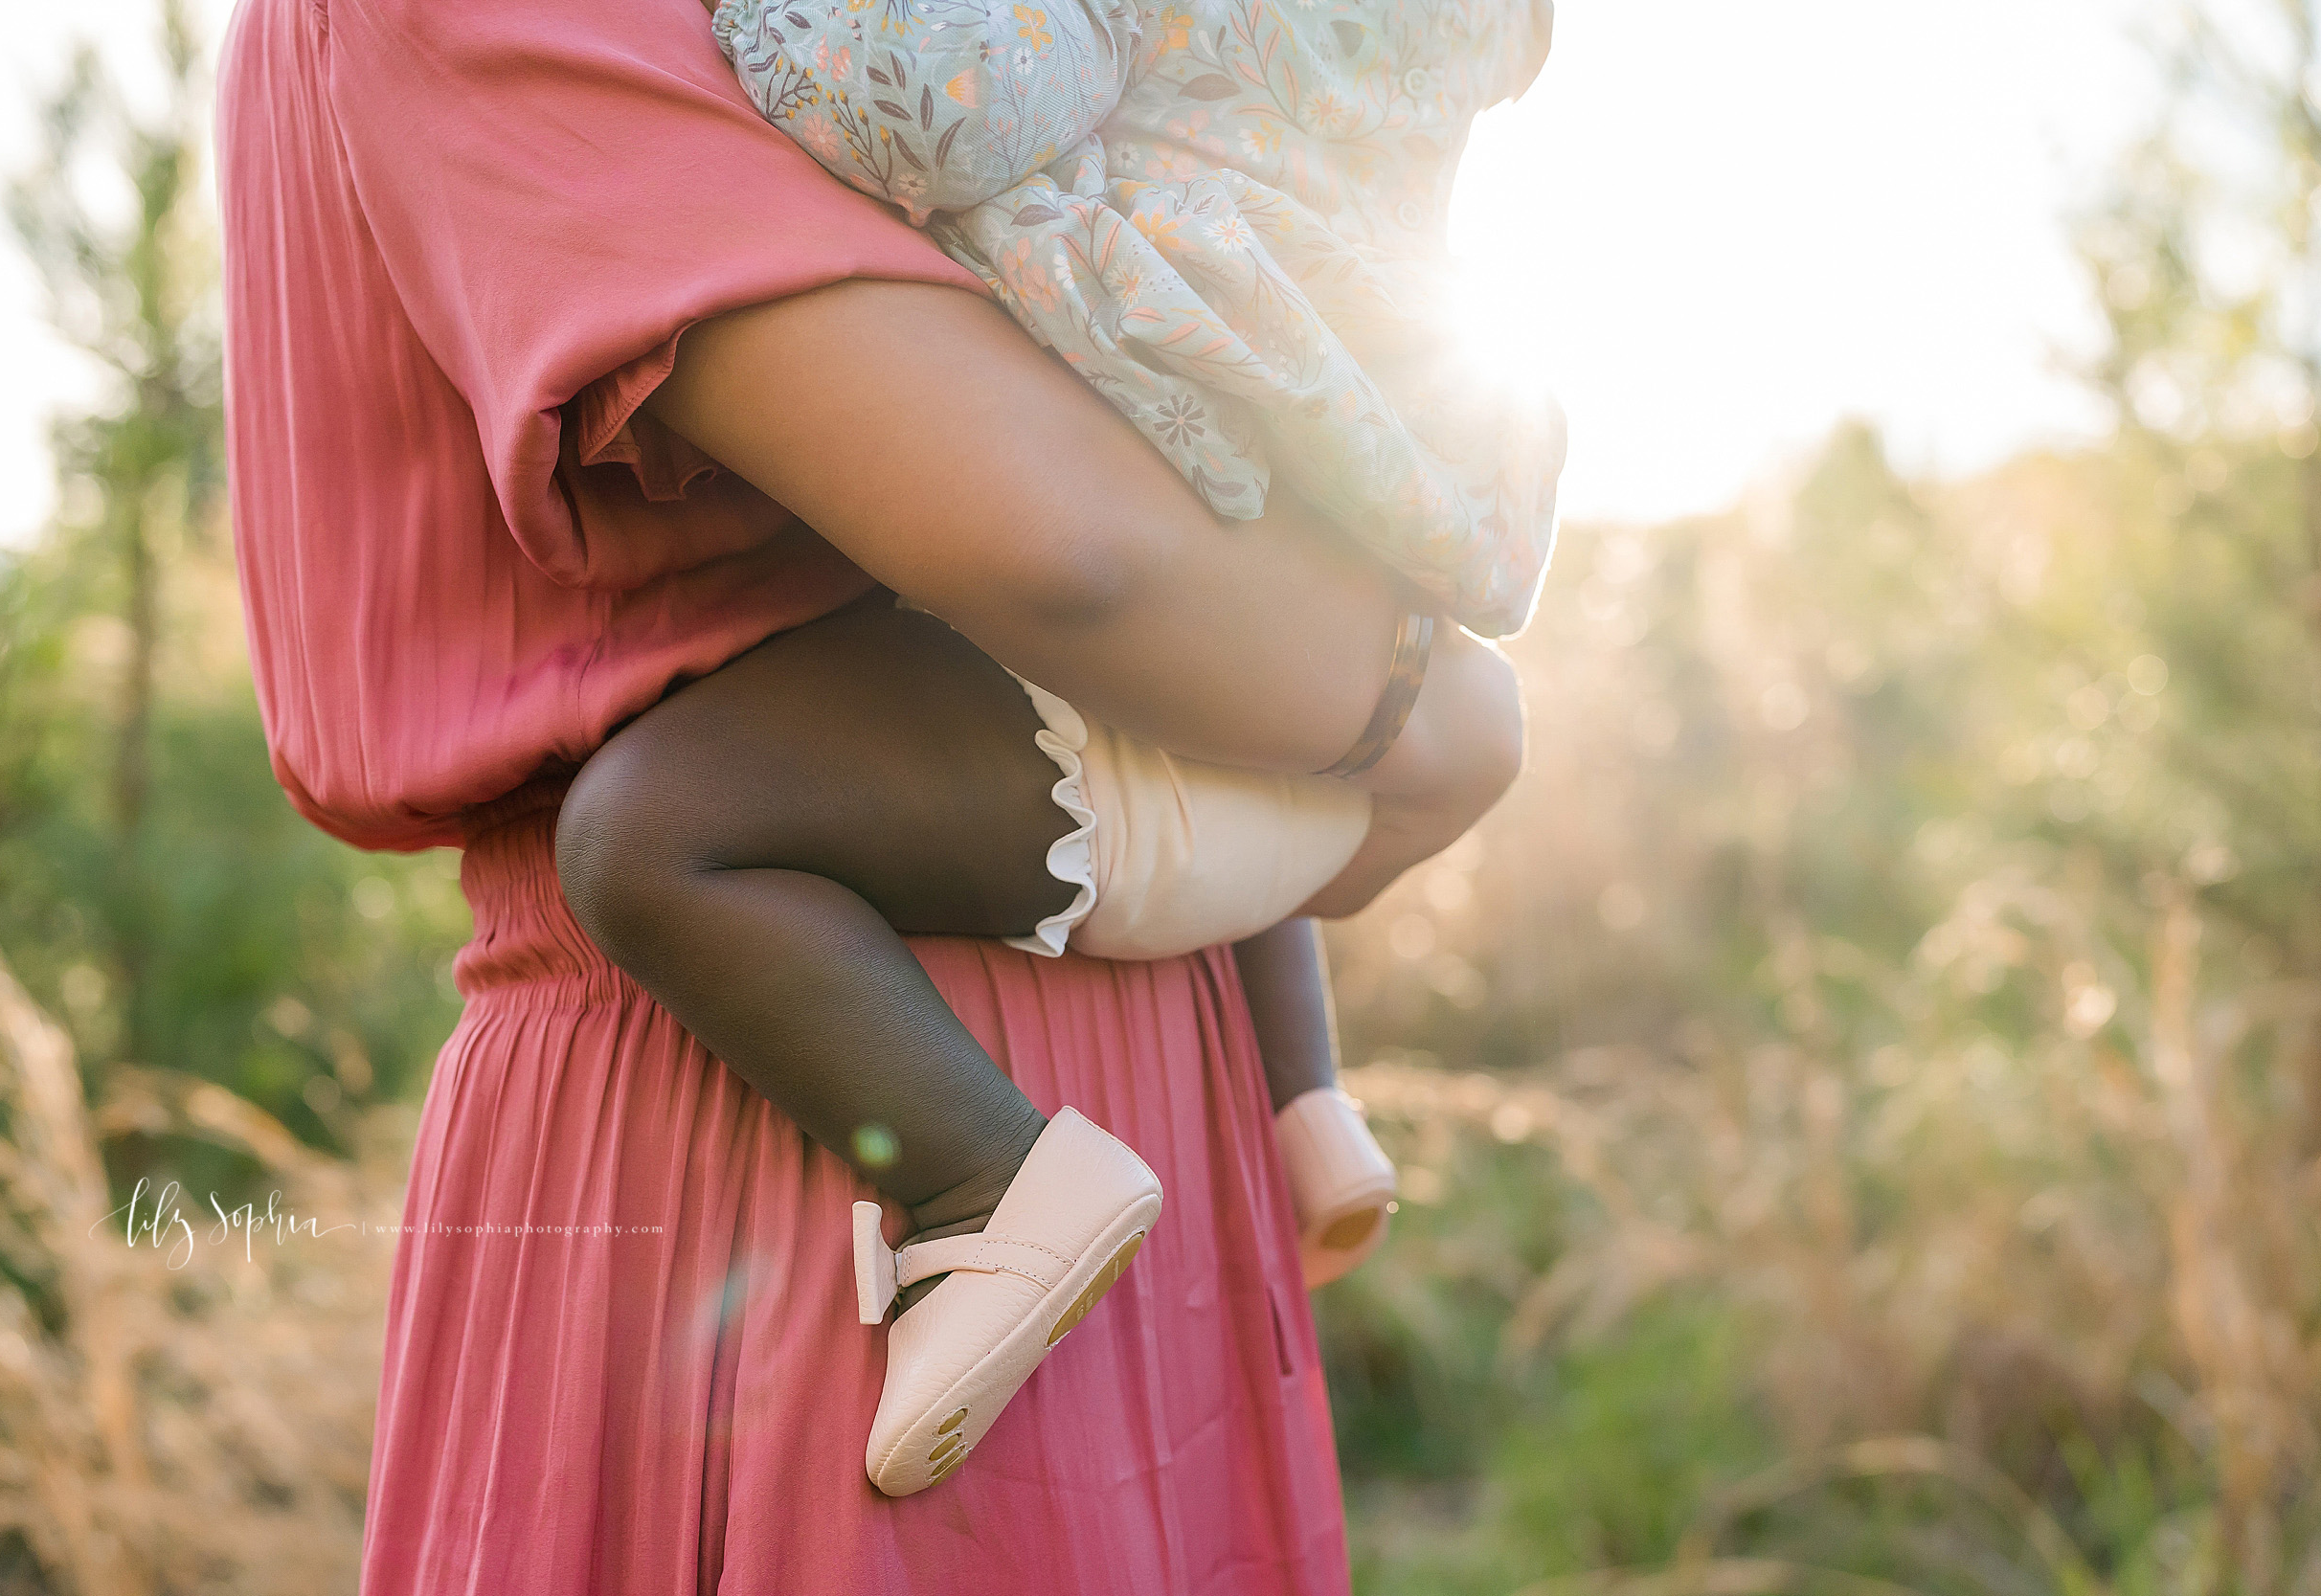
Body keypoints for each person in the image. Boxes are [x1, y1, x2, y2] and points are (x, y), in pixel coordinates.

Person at [218, 0, 1523, 1583]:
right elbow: (1067, 548)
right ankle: (1246, 1127)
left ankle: (1194, 1140)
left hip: (987, 1019)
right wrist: (1408, 694)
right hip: (777, 1101)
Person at [550, 0, 1559, 1499]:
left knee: (647, 832)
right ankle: (1313, 1102)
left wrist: (768, 26)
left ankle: (988, 1178)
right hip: (1330, 482)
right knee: (1256, 694)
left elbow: (932, 108)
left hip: (1147, 438)